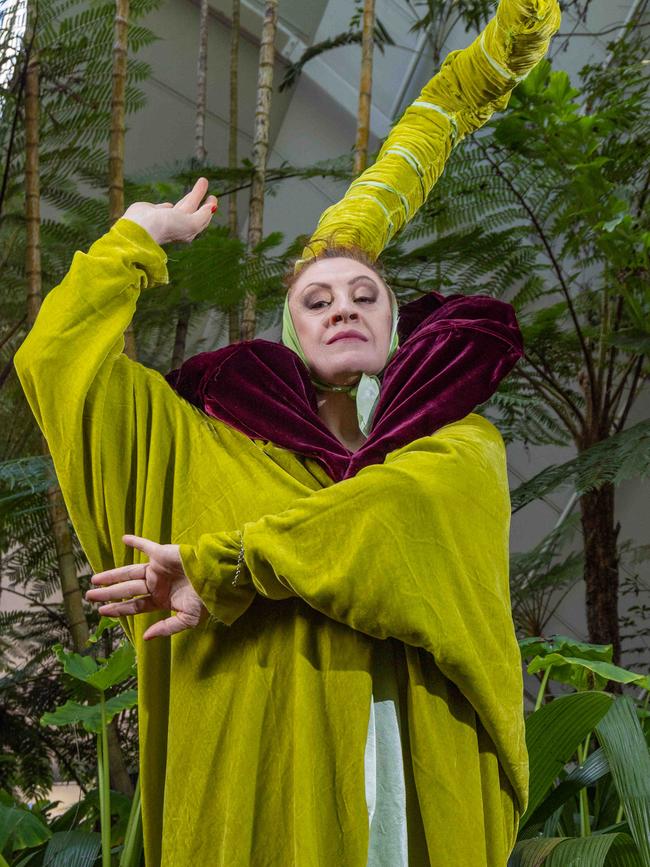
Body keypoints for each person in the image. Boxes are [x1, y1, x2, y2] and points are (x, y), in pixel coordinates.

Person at [13, 1, 561, 864]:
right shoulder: (202, 445)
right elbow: (57, 364)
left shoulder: (454, 447)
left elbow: (388, 519)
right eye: (317, 298)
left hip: (416, 806)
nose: (342, 303)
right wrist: (135, 239)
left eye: (363, 294)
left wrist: (219, 566)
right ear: (288, 332)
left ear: (397, 328)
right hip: (250, 803)